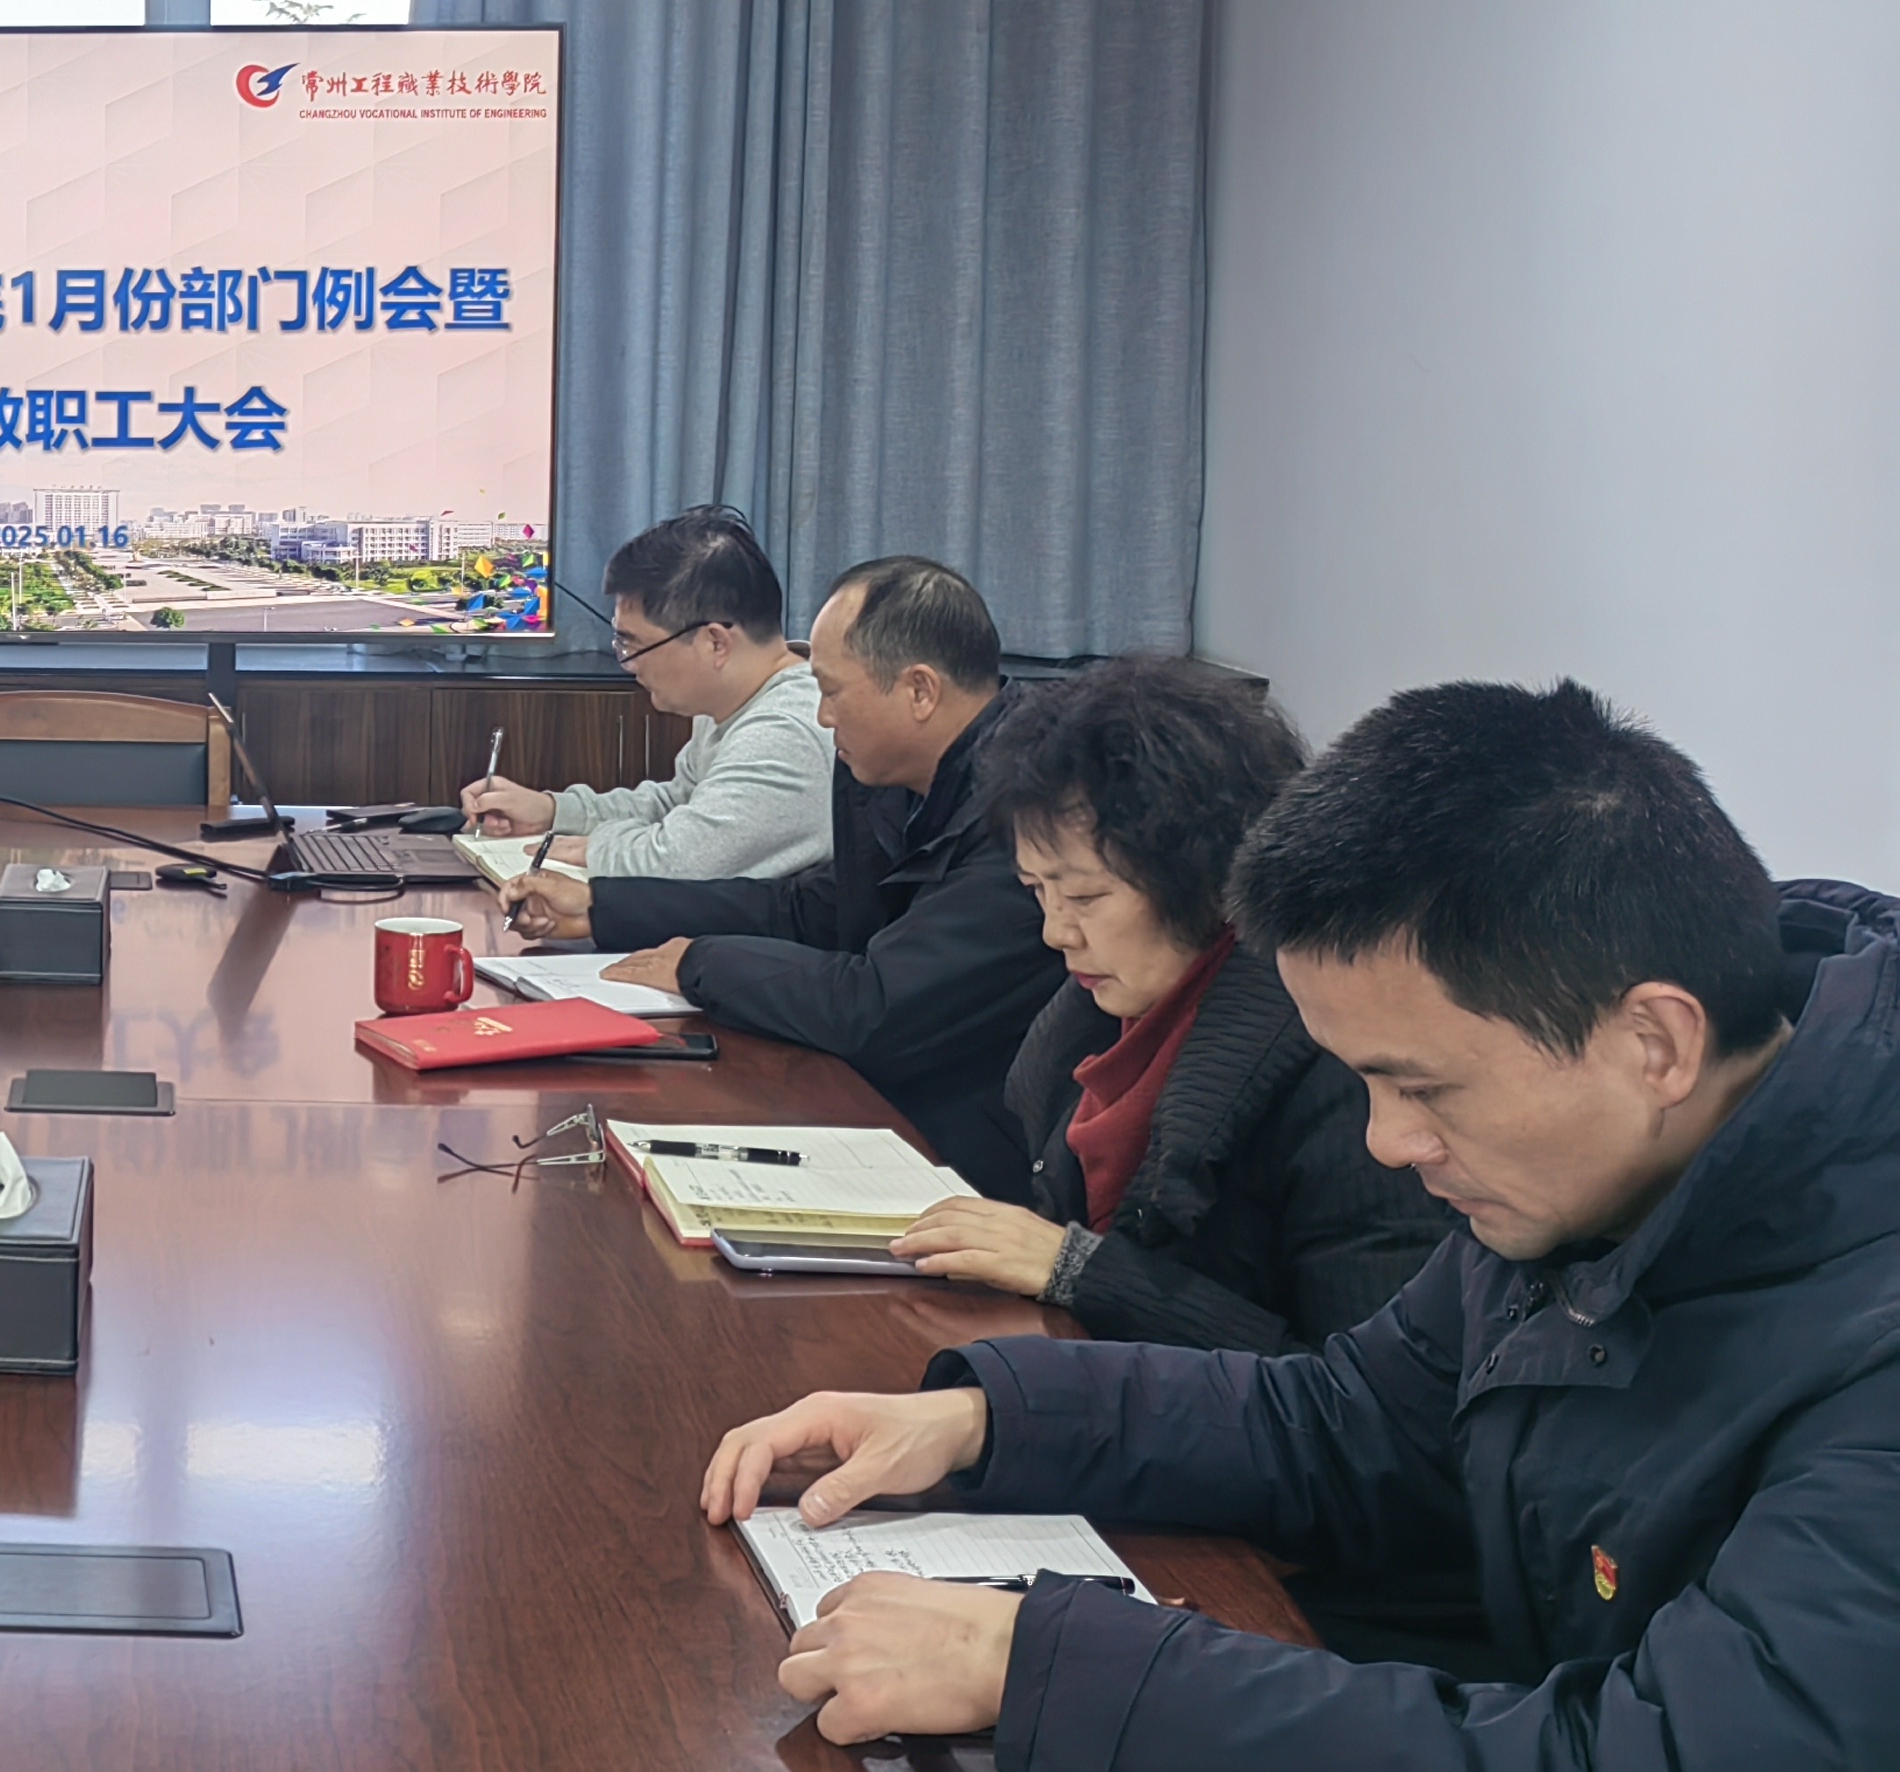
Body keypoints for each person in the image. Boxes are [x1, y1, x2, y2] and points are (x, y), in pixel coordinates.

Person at [701, 681, 1900, 1772]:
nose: (1386, 1142)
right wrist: (989, 1419)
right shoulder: (1578, 1185)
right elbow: (1339, 1420)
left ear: (1656, 1044)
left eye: (1423, 1087)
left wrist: (1048, 1667)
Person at [886, 654, 1455, 1349]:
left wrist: (1081, 1271)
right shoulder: (1102, 1018)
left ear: (1208, 877)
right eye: (1037, 890)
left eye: (1086, 896)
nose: (1055, 931)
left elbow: (1360, 1384)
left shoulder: (1340, 1067)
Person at [503, 555, 1063, 1198]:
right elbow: (808, 907)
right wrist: (603, 907)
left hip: (969, 1162)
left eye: (832, 691)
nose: (822, 717)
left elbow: (877, 1009)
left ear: (919, 691)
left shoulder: (1032, 811)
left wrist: (701, 964)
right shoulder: (893, 774)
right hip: (878, 1106)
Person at [456, 504, 830, 885]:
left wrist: (595, 849)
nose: (629, 664)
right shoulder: (735, 701)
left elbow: (680, 862)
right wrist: (553, 810)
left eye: (634, 645)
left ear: (715, 643)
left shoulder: (785, 733)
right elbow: (677, 804)